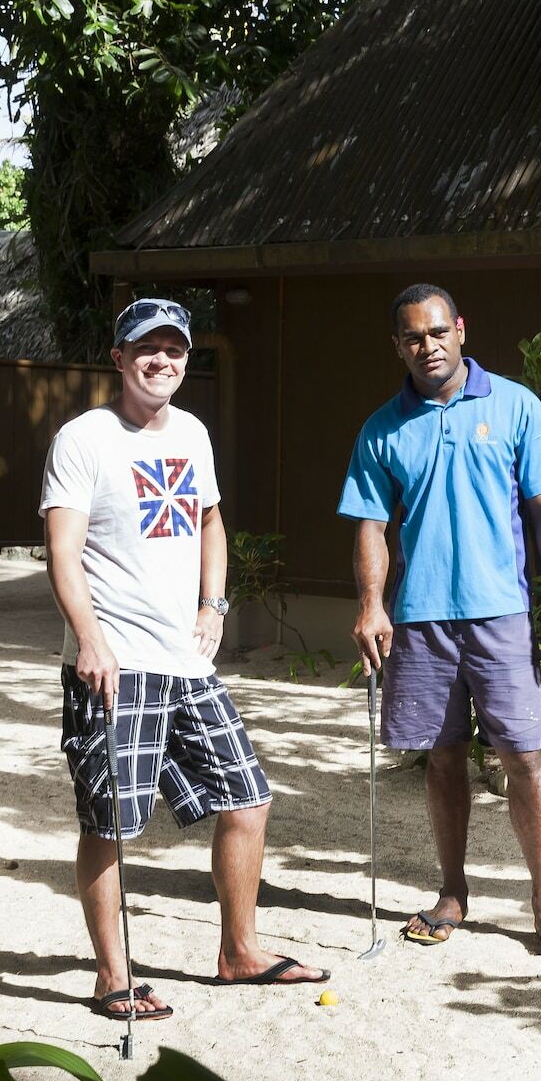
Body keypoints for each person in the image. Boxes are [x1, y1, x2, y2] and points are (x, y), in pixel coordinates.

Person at [42, 297, 327, 1024]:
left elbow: (209, 521)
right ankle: (114, 976)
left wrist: (215, 604)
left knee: (248, 797)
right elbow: (63, 553)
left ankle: (239, 951)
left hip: (185, 662)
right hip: (116, 664)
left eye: (174, 348)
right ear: (118, 357)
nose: (161, 360)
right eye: (147, 347)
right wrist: (92, 639)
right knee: (109, 819)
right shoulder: (85, 438)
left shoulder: (193, 433)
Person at [338, 283, 541, 959]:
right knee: (442, 755)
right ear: (399, 346)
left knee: (523, 754)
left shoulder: (514, 406)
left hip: (501, 612)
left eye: (438, 331)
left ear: (461, 330)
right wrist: (372, 604)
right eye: (414, 337)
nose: (429, 345)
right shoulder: (382, 427)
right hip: (420, 619)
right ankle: (452, 892)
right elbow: (370, 524)